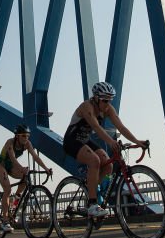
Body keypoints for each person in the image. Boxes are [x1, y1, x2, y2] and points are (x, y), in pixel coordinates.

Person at [62, 82, 147, 219]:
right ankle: (92, 204)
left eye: (110, 100)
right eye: (105, 100)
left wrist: (137, 141)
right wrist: (111, 141)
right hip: (71, 141)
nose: (107, 104)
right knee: (95, 160)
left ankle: (92, 191)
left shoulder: (108, 109)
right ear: (96, 98)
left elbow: (121, 127)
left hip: (84, 140)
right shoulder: (86, 106)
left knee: (108, 165)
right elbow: (95, 127)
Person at [0, 124, 52, 233]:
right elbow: (13, 159)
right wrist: (22, 168)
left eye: (28, 136)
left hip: (11, 167)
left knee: (25, 180)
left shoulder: (27, 144)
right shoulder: (10, 143)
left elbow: (35, 157)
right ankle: (5, 221)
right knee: (7, 189)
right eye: (24, 136)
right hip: (1, 165)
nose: (26, 138)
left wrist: (46, 169)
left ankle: (14, 202)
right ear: (17, 136)